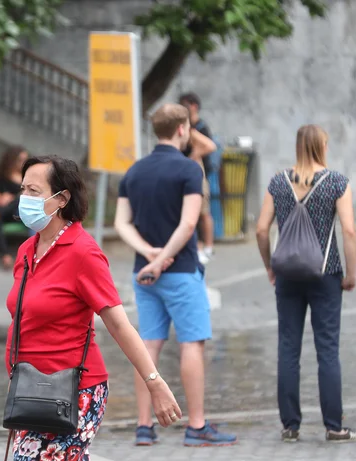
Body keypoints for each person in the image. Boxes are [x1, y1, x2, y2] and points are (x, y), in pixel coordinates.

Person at [7, 155, 182, 460]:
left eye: (34, 191)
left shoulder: (83, 253)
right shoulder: (26, 250)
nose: (24, 198)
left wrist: (155, 383)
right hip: (31, 391)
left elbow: (118, 324)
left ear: (61, 198)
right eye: (22, 189)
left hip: (74, 393)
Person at [114, 103, 237, 447]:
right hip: (180, 270)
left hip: (144, 274)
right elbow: (188, 224)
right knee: (191, 343)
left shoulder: (134, 171)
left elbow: (121, 223)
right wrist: (164, 257)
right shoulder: (188, 170)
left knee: (148, 346)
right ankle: (196, 426)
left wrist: (149, 254)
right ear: (183, 129)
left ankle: (144, 426)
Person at [255, 124, 356, 443]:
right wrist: (351, 273)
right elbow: (349, 231)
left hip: (287, 274)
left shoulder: (278, 182)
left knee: (289, 346)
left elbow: (261, 230)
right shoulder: (337, 183)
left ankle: (290, 425)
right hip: (325, 273)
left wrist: (270, 266)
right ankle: (334, 426)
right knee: (327, 348)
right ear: (322, 147)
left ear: (298, 147)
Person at [179, 93, 217, 264]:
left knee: (203, 213)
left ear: (194, 106)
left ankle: (207, 247)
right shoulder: (184, 127)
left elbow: (210, 146)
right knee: (192, 213)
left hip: (198, 174)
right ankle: (199, 246)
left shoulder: (198, 128)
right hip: (185, 173)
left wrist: (194, 154)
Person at [0, 145, 28, 223]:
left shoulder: (28, 176)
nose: (23, 163)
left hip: (26, 208)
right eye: (20, 160)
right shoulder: (3, 177)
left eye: (25, 160)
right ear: (13, 160)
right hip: (12, 211)